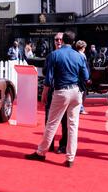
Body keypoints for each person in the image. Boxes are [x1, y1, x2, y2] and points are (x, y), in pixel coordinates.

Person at [25, 31, 89, 167]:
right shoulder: (79, 56)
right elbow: (86, 76)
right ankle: (70, 158)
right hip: (76, 92)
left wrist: (44, 93)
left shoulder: (55, 55)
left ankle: (41, 152)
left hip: (61, 91)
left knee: (52, 123)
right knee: (73, 125)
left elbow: (48, 78)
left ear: (63, 40)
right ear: (73, 41)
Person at [44, 32, 68, 153]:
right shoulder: (50, 56)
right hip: (52, 91)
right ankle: (49, 144)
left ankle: (63, 145)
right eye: (56, 39)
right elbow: (45, 72)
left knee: (65, 120)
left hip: (63, 91)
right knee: (49, 119)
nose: (58, 41)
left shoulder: (69, 55)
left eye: (60, 39)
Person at [76, 40, 89, 115]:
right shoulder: (81, 55)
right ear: (83, 47)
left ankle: (80, 108)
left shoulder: (79, 54)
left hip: (80, 77)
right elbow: (84, 68)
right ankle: (80, 108)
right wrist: (87, 77)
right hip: (81, 78)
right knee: (81, 93)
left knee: (82, 93)